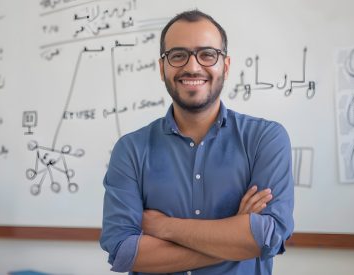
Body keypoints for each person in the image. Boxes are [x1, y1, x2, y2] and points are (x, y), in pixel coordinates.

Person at [100, 9, 294, 275]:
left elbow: (268, 238)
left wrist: (166, 227)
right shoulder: (131, 150)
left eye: (207, 54)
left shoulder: (265, 139)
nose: (192, 67)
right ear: (162, 68)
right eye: (178, 55)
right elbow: (124, 253)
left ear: (225, 66)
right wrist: (235, 236)